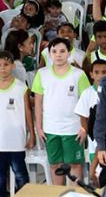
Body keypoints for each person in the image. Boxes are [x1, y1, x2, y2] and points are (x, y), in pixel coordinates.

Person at [33, 38, 90, 185]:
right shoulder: (42, 74)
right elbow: (38, 102)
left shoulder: (79, 74)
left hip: (73, 129)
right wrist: (39, 127)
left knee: (75, 164)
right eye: (54, 51)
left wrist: (84, 127)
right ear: (49, 55)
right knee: (54, 165)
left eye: (62, 51)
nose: (58, 55)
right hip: (50, 129)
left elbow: (86, 103)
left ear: (68, 53)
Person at [0, 51, 31, 197]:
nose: (2, 68)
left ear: (12, 65)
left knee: (20, 174)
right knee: (0, 176)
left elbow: (27, 112)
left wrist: (31, 134)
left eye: (5, 64)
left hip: (16, 141)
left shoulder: (21, 87)